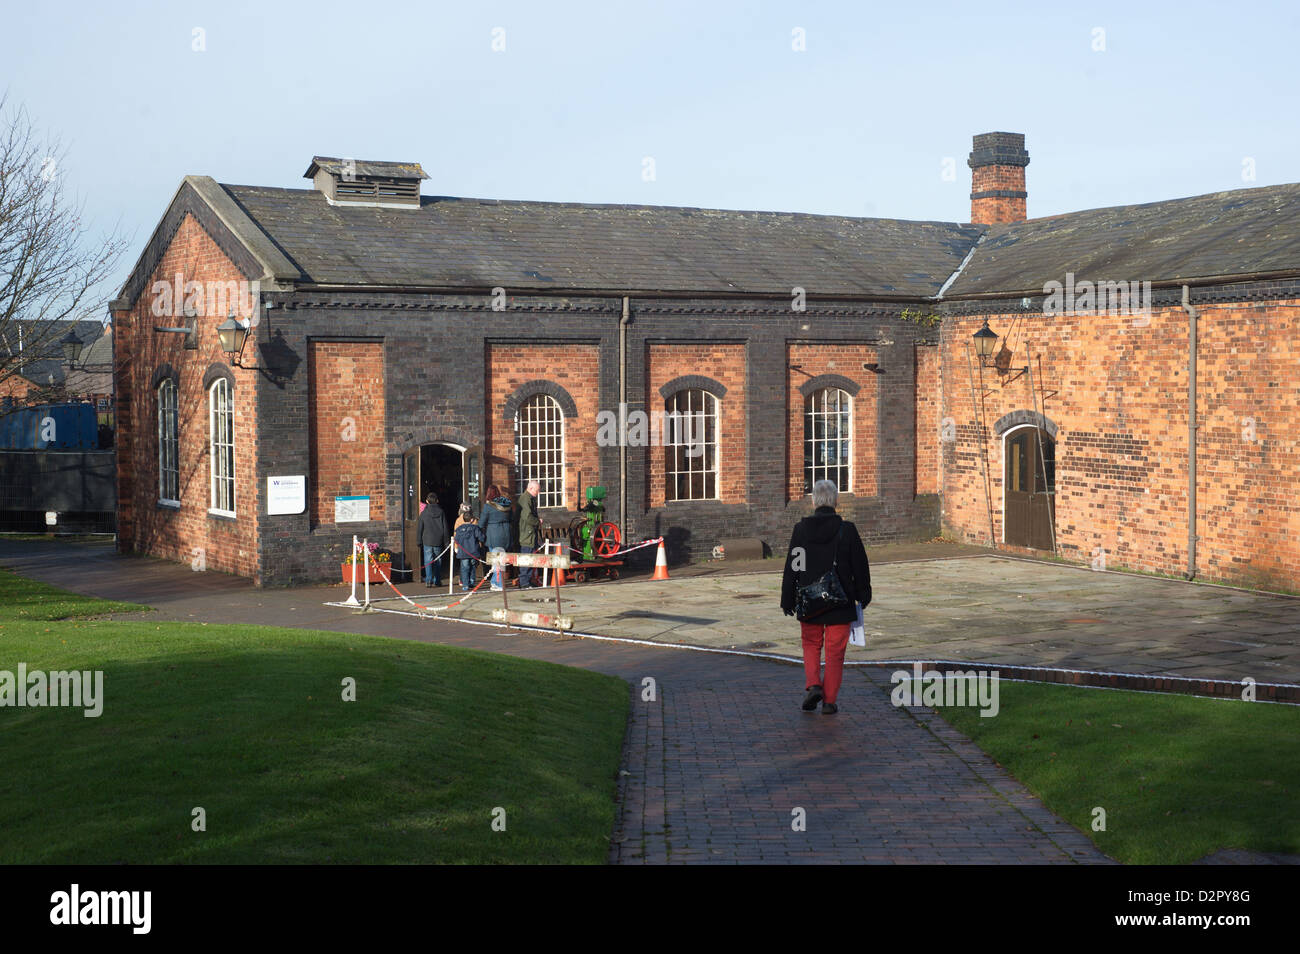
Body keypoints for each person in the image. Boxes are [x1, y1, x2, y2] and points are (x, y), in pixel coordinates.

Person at [780, 479, 871, 715]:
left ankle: (813, 684)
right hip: (840, 602)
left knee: (810, 644)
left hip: (810, 601)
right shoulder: (847, 531)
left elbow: (795, 565)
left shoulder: (801, 531)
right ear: (836, 502)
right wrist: (864, 593)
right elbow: (859, 565)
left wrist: (787, 597)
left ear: (813, 502)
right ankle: (829, 701)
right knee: (835, 653)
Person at [479, 484, 513, 591]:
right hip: (506, 534)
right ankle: (495, 582)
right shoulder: (507, 504)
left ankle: (499, 584)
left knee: (496, 561)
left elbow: (481, 523)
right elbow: (512, 518)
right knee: (501, 560)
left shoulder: (488, 506)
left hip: (494, 535)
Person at [416, 492, 449, 588]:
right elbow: (445, 527)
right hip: (438, 539)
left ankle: (428, 580)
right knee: (438, 560)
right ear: (437, 501)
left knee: (428, 561)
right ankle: (437, 580)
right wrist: (446, 542)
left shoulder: (423, 513)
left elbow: (420, 528)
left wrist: (419, 540)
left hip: (427, 539)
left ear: (427, 501)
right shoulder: (441, 512)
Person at [517, 479, 543, 589]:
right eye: (537, 490)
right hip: (527, 534)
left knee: (531, 557)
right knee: (526, 558)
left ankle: (528, 580)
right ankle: (524, 582)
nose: (538, 493)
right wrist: (537, 522)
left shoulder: (529, 498)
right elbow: (527, 516)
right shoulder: (526, 499)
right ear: (531, 488)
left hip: (530, 533)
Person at [453, 508, 485, 591]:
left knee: (464, 568)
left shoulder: (459, 529)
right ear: (471, 520)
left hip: (463, 552)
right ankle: (472, 582)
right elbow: (481, 538)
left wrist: (457, 548)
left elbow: (456, 540)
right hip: (473, 552)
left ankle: (465, 585)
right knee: (473, 567)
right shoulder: (475, 528)